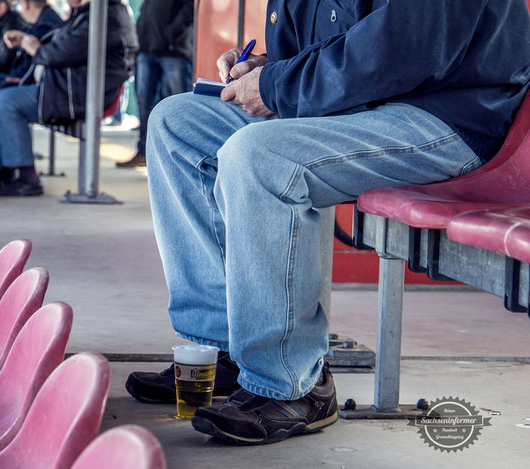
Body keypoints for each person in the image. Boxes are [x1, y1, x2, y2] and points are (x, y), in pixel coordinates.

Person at [125, 0, 530, 445]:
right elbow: (327, 46)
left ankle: (294, 384)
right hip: (360, 103)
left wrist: (279, 82)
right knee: (176, 122)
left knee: (260, 157)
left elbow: (400, 50)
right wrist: (263, 69)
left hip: (448, 114)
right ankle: (221, 349)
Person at [0, 0, 138, 196]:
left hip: (78, 94)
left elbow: (60, 52)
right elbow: (64, 46)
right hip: (72, 87)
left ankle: (26, 177)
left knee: (5, 102)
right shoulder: (93, 13)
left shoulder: (106, 15)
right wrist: (26, 40)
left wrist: (36, 49)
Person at [116, 0, 193, 168]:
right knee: (145, 105)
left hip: (174, 52)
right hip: (146, 49)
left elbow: (190, 7)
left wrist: (171, 32)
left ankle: (176, 158)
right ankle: (144, 152)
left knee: (176, 106)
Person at [8, 0, 62, 82]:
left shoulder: (44, 25)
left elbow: (29, 69)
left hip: (29, 81)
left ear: (25, 4)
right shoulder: (45, 18)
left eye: (18, 4)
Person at [0, 0, 27, 84]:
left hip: (11, 74)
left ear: (2, 7)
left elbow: (4, 62)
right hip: (5, 71)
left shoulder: (12, 23)